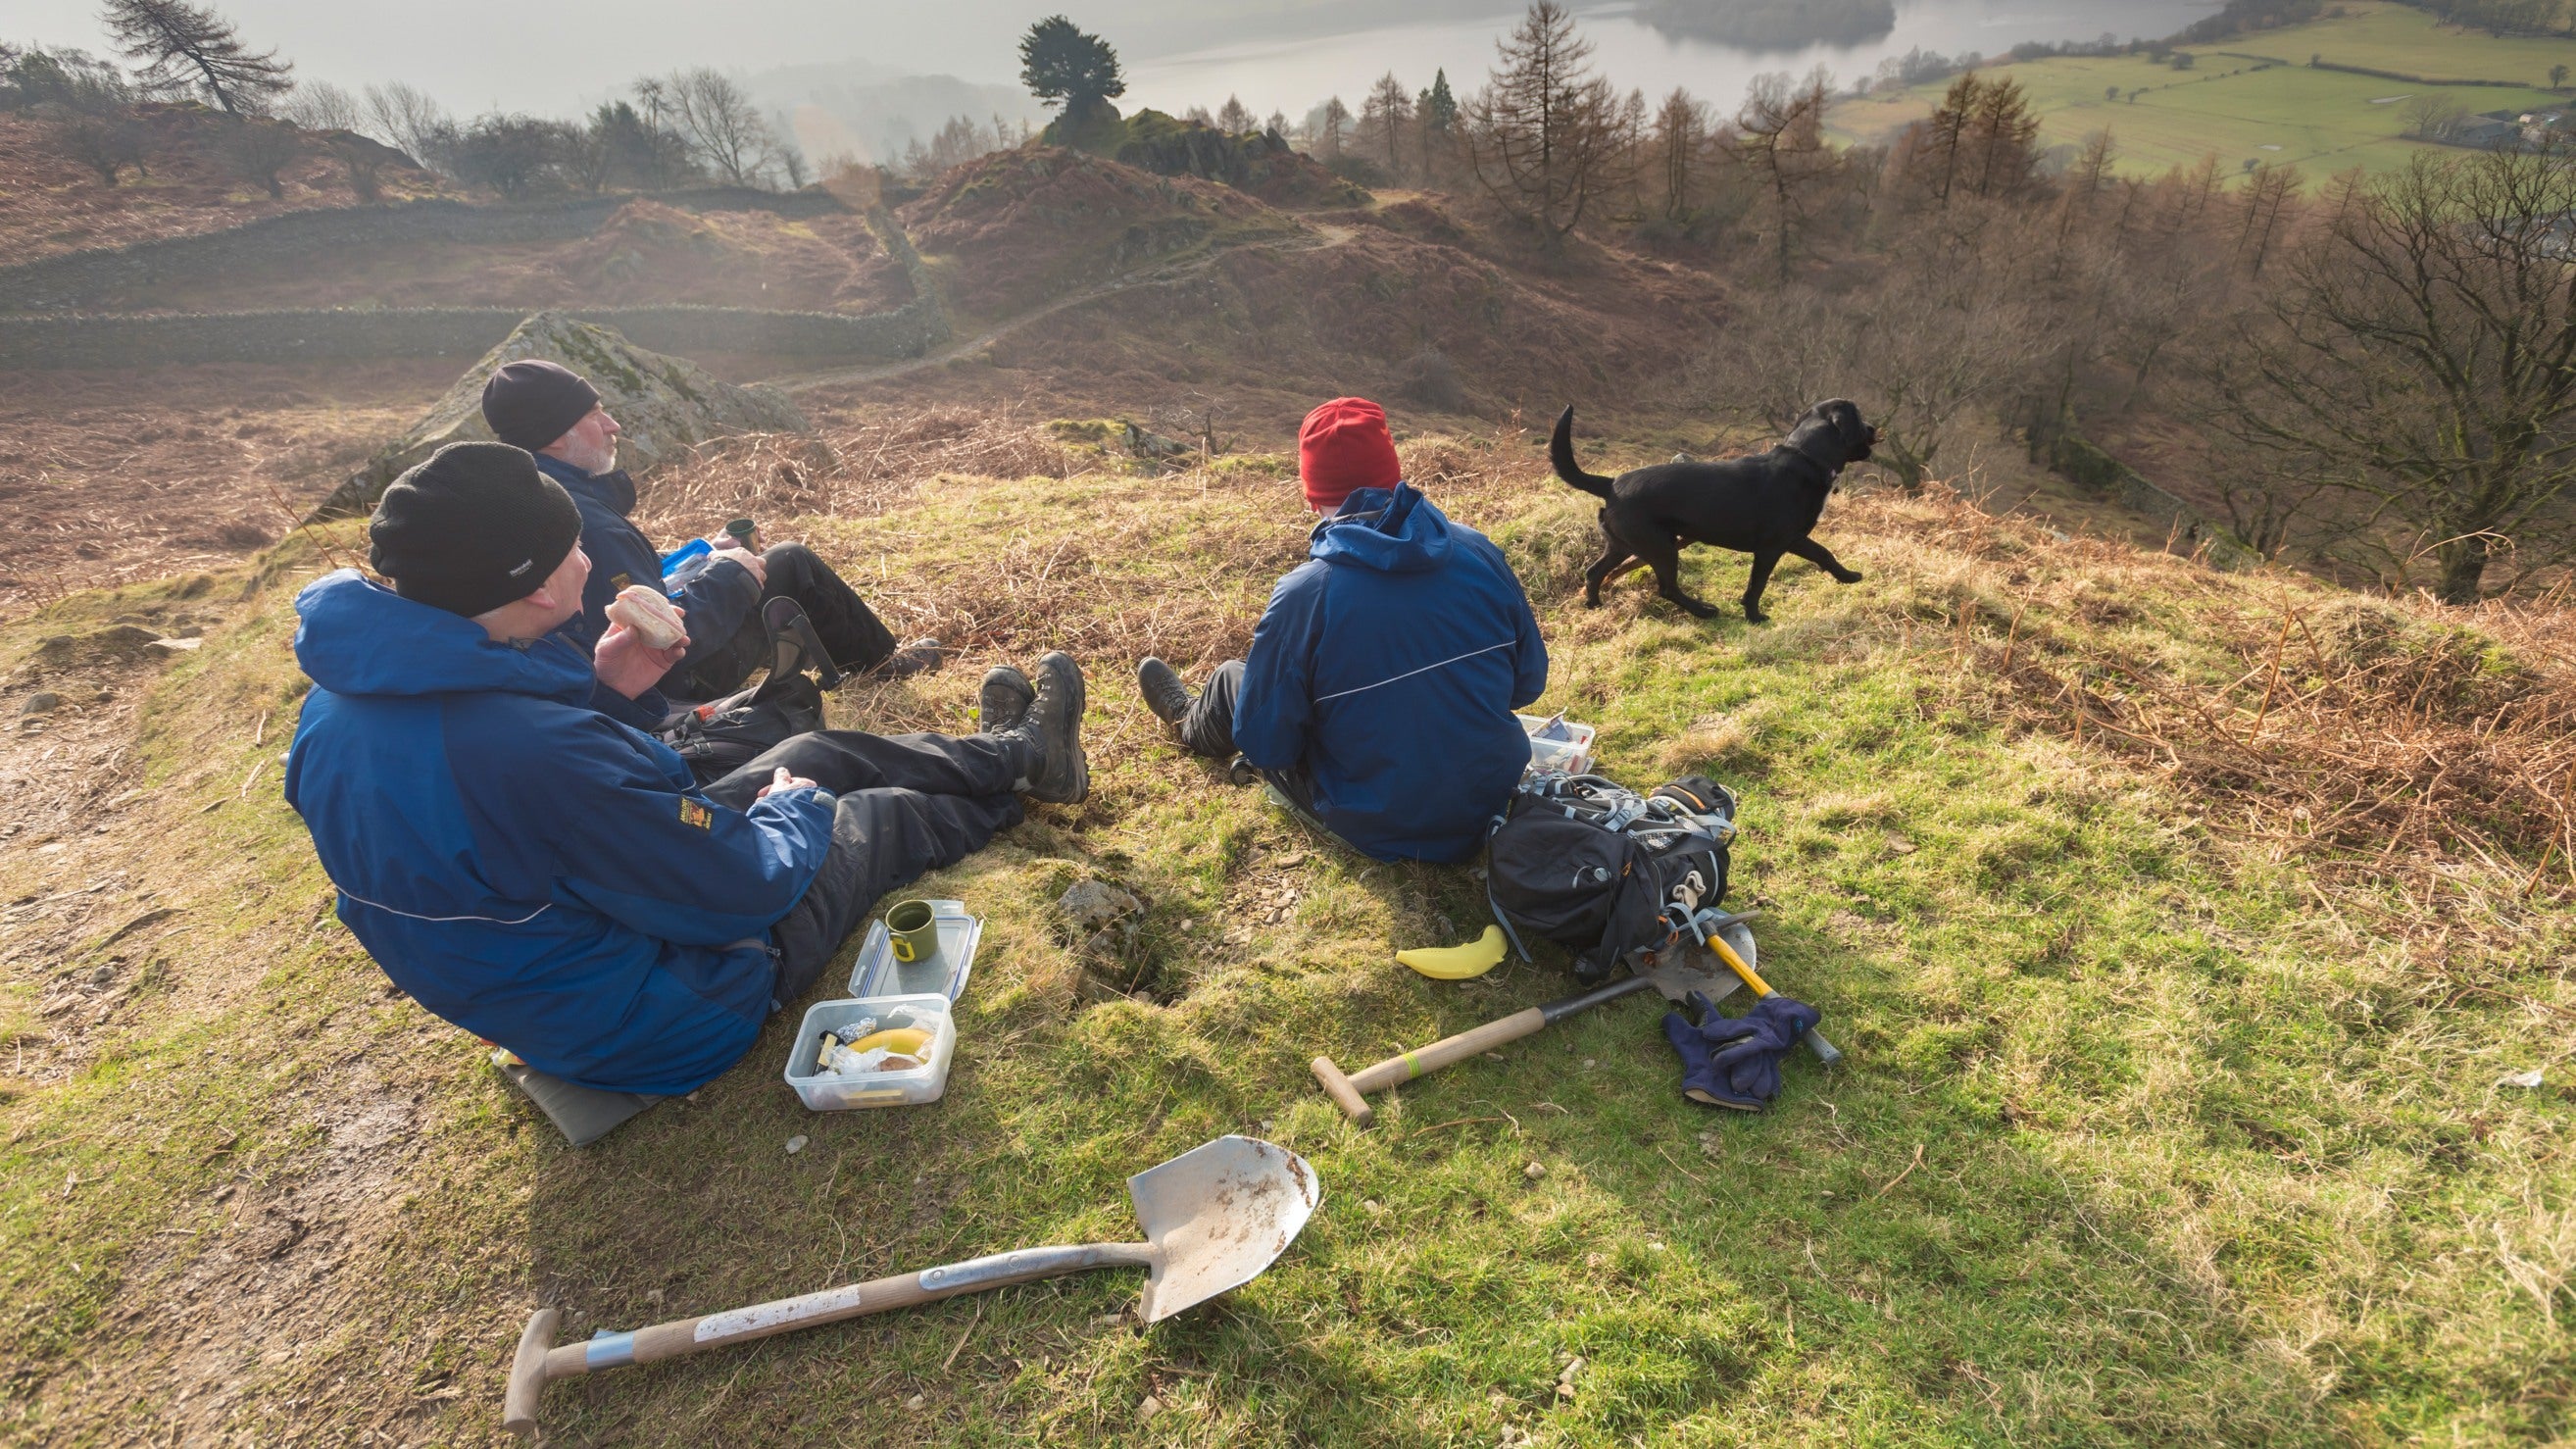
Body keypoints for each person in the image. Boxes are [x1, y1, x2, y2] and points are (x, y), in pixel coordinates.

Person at [282, 441, 1088, 1096]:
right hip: (667, 1012)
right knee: (872, 814)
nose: (590, 568)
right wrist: (794, 814)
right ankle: (1006, 788)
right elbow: (741, 888)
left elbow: (505, 825)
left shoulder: (337, 706)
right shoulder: (531, 753)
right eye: (572, 551)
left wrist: (607, 694)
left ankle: (1016, 756)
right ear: (527, 587)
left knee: (812, 752)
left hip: (561, 979)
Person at [1135, 397, 1547, 863]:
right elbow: (1527, 685)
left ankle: (1187, 720)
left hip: (1377, 824)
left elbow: (1269, 746)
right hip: (1491, 801)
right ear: (1396, 477)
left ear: (1311, 495)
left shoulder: (1303, 595)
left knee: (1236, 677)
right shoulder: (1478, 550)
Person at [478, 359, 940, 710]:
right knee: (791, 561)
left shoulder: (538, 496)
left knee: (758, 560)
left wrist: (702, 554)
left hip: (623, 677)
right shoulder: (583, 519)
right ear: (557, 436)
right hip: (670, 683)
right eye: (596, 414)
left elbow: (628, 586)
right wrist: (730, 577)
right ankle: (880, 666)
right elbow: (657, 635)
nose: (612, 425)